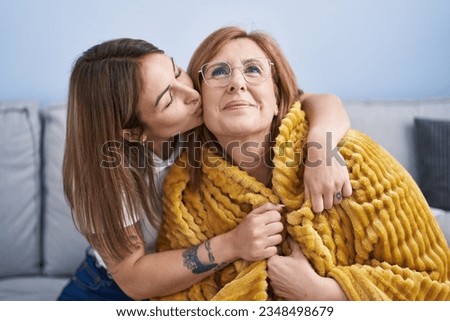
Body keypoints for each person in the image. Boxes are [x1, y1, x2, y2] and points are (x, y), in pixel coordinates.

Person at [156, 26, 450, 300]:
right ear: (199, 101)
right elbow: (173, 299)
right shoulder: (186, 192)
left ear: (277, 98)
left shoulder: (352, 159)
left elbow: (433, 283)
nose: (236, 83)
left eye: (253, 70)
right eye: (219, 72)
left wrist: (323, 293)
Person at [58, 37, 351, 300]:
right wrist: (234, 244)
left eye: (176, 71)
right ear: (134, 134)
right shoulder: (104, 176)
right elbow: (134, 279)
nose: (191, 94)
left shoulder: (201, 109)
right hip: (110, 291)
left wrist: (321, 148)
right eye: (168, 99)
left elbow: (317, 101)